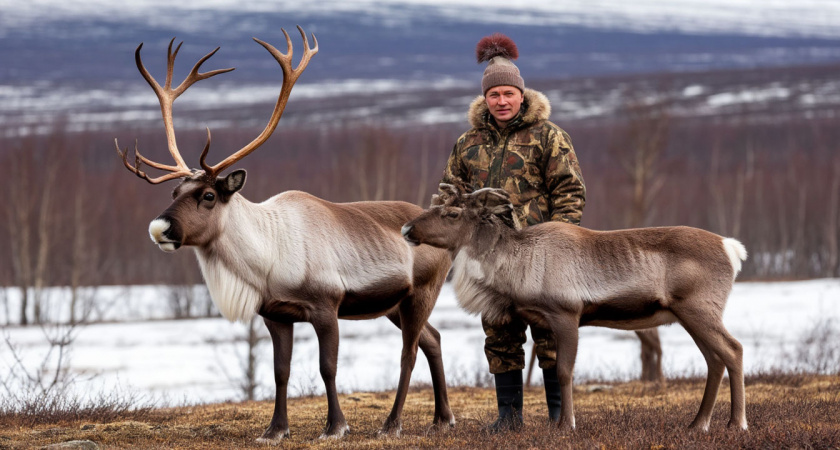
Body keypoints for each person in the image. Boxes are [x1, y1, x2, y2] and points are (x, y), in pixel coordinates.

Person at [441, 33, 586, 432]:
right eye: (494, 95)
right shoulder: (467, 144)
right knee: (499, 335)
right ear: (484, 99)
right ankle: (509, 418)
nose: (502, 101)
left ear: (522, 94)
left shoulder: (548, 136)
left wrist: (564, 242)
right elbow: (449, 197)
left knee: (550, 334)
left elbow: (570, 192)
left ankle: (560, 414)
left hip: (542, 259)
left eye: (508, 93)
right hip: (487, 262)